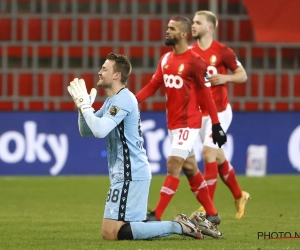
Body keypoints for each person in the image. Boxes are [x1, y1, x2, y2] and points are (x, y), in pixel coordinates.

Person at [67, 52, 220, 241]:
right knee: (122, 230)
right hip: (127, 173)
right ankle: (185, 224)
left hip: (130, 174)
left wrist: (86, 106)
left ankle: (180, 225)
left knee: (111, 233)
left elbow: (100, 130)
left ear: (116, 75)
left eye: (104, 69)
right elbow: (87, 131)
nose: (99, 72)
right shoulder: (112, 101)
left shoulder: (124, 99)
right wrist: (83, 110)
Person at [135, 16, 227, 225]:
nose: (167, 31)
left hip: (189, 122)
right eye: (167, 27)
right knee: (190, 167)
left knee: (173, 163)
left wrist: (216, 124)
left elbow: (206, 94)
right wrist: (133, 100)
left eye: (172, 28)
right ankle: (212, 213)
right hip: (173, 124)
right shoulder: (166, 59)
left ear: (184, 34)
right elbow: (152, 85)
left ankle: (155, 215)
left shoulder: (195, 61)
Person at [190, 10, 250, 219]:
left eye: (197, 22)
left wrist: (225, 78)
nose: (193, 26)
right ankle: (239, 194)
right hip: (201, 114)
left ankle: (208, 209)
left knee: (207, 153)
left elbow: (242, 75)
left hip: (221, 112)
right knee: (217, 157)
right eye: (193, 22)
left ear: (210, 27)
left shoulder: (223, 51)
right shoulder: (190, 52)